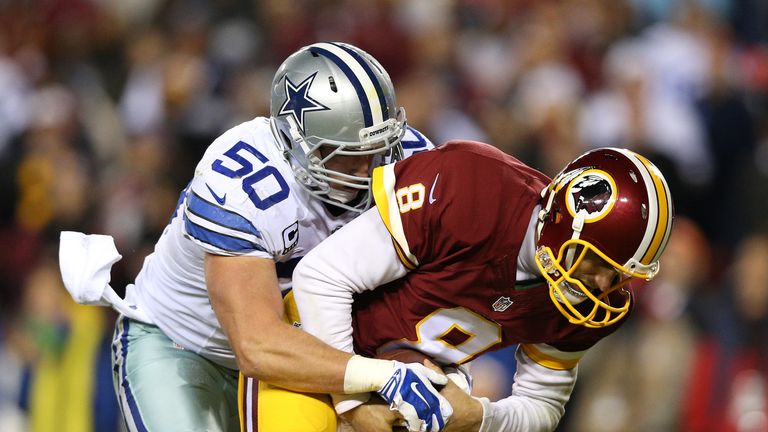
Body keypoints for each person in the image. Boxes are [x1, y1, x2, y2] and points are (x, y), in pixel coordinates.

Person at [58, 42, 453, 432]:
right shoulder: (243, 186)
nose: (368, 169)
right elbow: (257, 345)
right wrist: (380, 374)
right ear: (296, 142)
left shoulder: (412, 163)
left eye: (378, 147)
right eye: (346, 154)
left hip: (305, 351)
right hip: (184, 345)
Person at [292, 141, 674, 431]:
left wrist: (478, 415)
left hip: (411, 388)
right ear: (564, 219)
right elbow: (320, 279)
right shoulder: (472, 188)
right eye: (599, 263)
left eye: (620, 275)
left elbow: (541, 406)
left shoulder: (591, 301)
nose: (603, 285)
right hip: (313, 347)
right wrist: (354, 403)